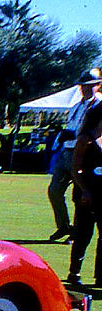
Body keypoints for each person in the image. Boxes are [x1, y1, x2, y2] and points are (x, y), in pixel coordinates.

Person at [49, 68, 102, 241]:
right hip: (67, 151)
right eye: (82, 86)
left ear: (98, 85)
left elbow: (92, 130)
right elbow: (72, 125)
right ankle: (64, 226)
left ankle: (77, 233)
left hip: (85, 154)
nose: (84, 89)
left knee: (79, 196)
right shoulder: (76, 105)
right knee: (54, 190)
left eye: (89, 86)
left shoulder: (99, 105)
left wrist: (77, 135)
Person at [67, 102, 102, 287]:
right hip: (86, 195)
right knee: (83, 234)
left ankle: (100, 276)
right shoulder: (85, 139)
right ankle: (74, 273)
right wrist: (84, 189)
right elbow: (76, 169)